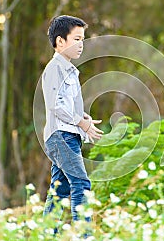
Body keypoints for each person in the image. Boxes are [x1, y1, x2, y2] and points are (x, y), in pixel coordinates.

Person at [41, 15, 103, 223]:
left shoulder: (70, 70)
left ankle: (46, 235)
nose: (81, 45)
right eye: (76, 39)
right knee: (81, 183)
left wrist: (83, 117)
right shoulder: (54, 68)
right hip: (61, 136)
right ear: (60, 41)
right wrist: (80, 122)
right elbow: (55, 105)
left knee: (60, 189)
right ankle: (83, 235)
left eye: (82, 39)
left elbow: (66, 105)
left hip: (68, 136)